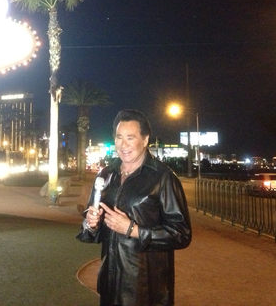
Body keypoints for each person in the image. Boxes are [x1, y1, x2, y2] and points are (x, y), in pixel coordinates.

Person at [77, 109, 192, 306]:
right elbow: (91, 227)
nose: (123, 144)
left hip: (145, 289)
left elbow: (181, 234)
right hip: (110, 283)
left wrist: (133, 230)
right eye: (119, 137)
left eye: (130, 137)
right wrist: (91, 223)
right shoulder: (106, 175)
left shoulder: (163, 178)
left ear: (145, 140)